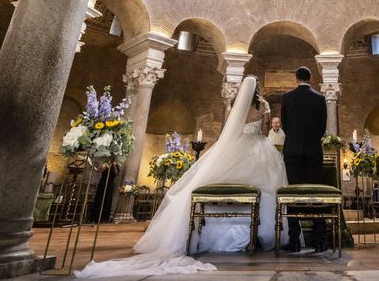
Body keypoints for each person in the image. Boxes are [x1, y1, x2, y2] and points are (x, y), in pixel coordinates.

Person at [75, 76, 288, 278]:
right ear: (258, 88)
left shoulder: (238, 106)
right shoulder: (264, 105)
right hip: (259, 148)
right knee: (266, 185)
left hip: (237, 147)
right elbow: (265, 128)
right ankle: (260, 233)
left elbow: (233, 130)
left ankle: (214, 236)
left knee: (224, 183)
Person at [280, 66, 327, 253]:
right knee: (316, 196)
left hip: (292, 151)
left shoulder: (287, 98)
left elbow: (285, 125)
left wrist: (295, 140)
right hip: (313, 151)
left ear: (296, 78)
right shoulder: (320, 98)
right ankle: (320, 240)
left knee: (293, 196)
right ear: (310, 78)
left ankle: (295, 240)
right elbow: (322, 126)